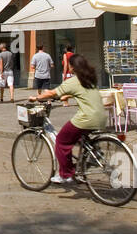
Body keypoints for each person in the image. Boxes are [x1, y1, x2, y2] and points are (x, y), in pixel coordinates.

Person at [31, 54, 107, 185]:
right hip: (101, 117)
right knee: (78, 137)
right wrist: (67, 97)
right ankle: (93, 154)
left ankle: (65, 174)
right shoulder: (89, 79)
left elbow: (52, 93)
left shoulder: (73, 81)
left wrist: (36, 98)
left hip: (86, 118)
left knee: (61, 140)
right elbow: (83, 94)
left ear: (72, 67)